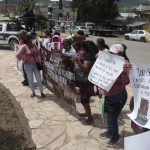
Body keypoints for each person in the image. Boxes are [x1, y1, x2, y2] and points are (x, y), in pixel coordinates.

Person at [99, 43, 130, 147]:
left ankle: (115, 138)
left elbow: (126, 82)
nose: (111, 54)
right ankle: (109, 132)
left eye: (114, 53)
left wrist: (124, 73)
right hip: (108, 94)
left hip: (117, 95)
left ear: (121, 53)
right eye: (110, 52)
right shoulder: (108, 59)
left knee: (112, 118)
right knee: (108, 115)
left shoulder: (124, 64)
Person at [75, 40, 99, 125]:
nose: (81, 49)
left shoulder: (88, 55)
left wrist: (77, 60)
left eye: (82, 48)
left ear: (85, 47)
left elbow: (85, 68)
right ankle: (87, 113)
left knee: (84, 99)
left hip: (86, 81)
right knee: (86, 99)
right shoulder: (93, 54)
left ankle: (90, 119)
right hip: (88, 80)